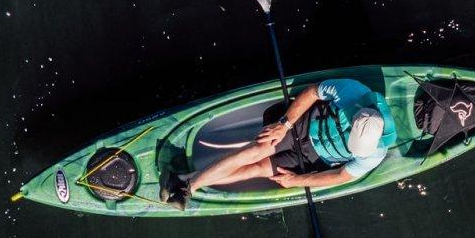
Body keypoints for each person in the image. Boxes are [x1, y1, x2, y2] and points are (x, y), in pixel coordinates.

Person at [162, 79, 397, 210]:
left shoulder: (375, 154)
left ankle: (181, 181)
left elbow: (340, 176)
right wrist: (284, 124)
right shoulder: (353, 92)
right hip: (304, 124)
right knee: (258, 150)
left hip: (315, 158)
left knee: (258, 169)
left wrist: (296, 181)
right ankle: (189, 187)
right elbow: (313, 92)